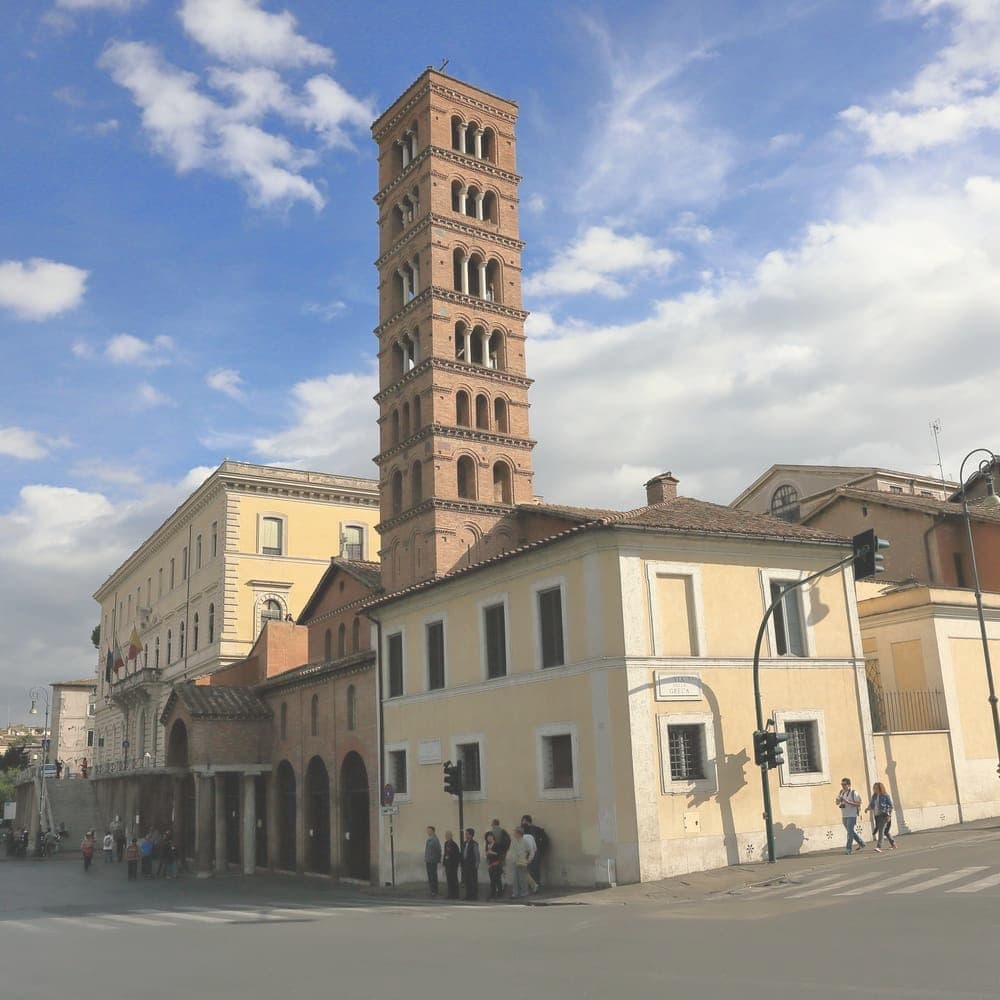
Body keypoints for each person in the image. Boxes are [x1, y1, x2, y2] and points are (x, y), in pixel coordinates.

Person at [836, 777, 865, 855]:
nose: (842, 786)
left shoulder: (854, 792)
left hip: (852, 815)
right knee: (850, 831)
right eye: (841, 784)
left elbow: (859, 803)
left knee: (849, 832)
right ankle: (861, 843)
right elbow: (837, 802)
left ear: (849, 785)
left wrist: (848, 802)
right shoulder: (841, 792)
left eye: (844, 784)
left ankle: (848, 849)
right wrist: (839, 801)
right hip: (844, 815)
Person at [865, 782, 897, 852]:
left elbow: (891, 806)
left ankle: (878, 847)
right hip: (877, 816)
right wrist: (867, 808)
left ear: (880, 788)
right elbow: (872, 805)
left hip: (884, 815)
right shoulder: (874, 796)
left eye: (876, 788)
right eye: (874, 788)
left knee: (881, 831)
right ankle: (893, 844)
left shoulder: (885, 796)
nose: (875, 789)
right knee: (886, 831)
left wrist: (889, 815)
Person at [521, 814, 548, 890]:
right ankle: (535, 885)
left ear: (525, 821)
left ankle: (534, 885)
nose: (522, 822)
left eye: (522, 821)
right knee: (533, 869)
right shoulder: (537, 829)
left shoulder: (530, 830)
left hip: (531, 852)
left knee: (531, 869)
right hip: (534, 852)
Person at [508, 827, 534, 899]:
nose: (514, 834)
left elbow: (531, 851)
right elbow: (511, 851)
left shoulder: (525, 842)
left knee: (522, 878)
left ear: (519, 833)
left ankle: (524, 893)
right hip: (515, 861)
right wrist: (510, 858)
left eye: (515, 832)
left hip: (522, 862)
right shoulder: (513, 841)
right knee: (515, 878)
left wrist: (529, 859)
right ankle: (515, 893)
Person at [461, 828, 480, 901]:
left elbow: (477, 854)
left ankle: (474, 895)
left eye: (467, 834)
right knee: (467, 881)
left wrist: (477, 864)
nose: (466, 835)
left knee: (473, 880)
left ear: (471, 835)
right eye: (465, 834)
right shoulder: (465, 843)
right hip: (466, 864)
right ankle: (468, 895)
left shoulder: (474, 843)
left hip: (472, 865)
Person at [484, 831, 504, 899]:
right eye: (487, 837)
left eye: (490, 837)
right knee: (492, 880)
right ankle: (492, 893)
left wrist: (491, 852)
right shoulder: (487, 845)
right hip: (490, 865)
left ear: (493, 837)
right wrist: (487, 854)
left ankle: (500, 893)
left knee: (498, 879)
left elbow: (499, 854)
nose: (489, 838)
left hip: (496, 864)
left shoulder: (496, 844)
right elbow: (486, 853)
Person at [442, 830, 461, 900]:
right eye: (446, 836)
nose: (446, 837)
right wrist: (444, 862)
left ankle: (455, 894)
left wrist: (451, 860)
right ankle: (450, 894)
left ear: (451, 836)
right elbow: (445, 853)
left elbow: (456, 855)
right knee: (449, 880)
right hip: (447, 865)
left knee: (454, 880)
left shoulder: (454, 844)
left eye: (448, 836)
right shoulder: (446, 843)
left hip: (453, 865)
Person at [424, 826, 442, 897]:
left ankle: (434, 890)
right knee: (430, 876)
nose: (428, 832)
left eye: (429, 830)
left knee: (433, 876)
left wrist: (437, 859)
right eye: (427, 830)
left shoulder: (435, 839)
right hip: (428, 860)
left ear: (433, 831)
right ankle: (432, 890)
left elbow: (438, 850)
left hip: (432, 860)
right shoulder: (429, 839)